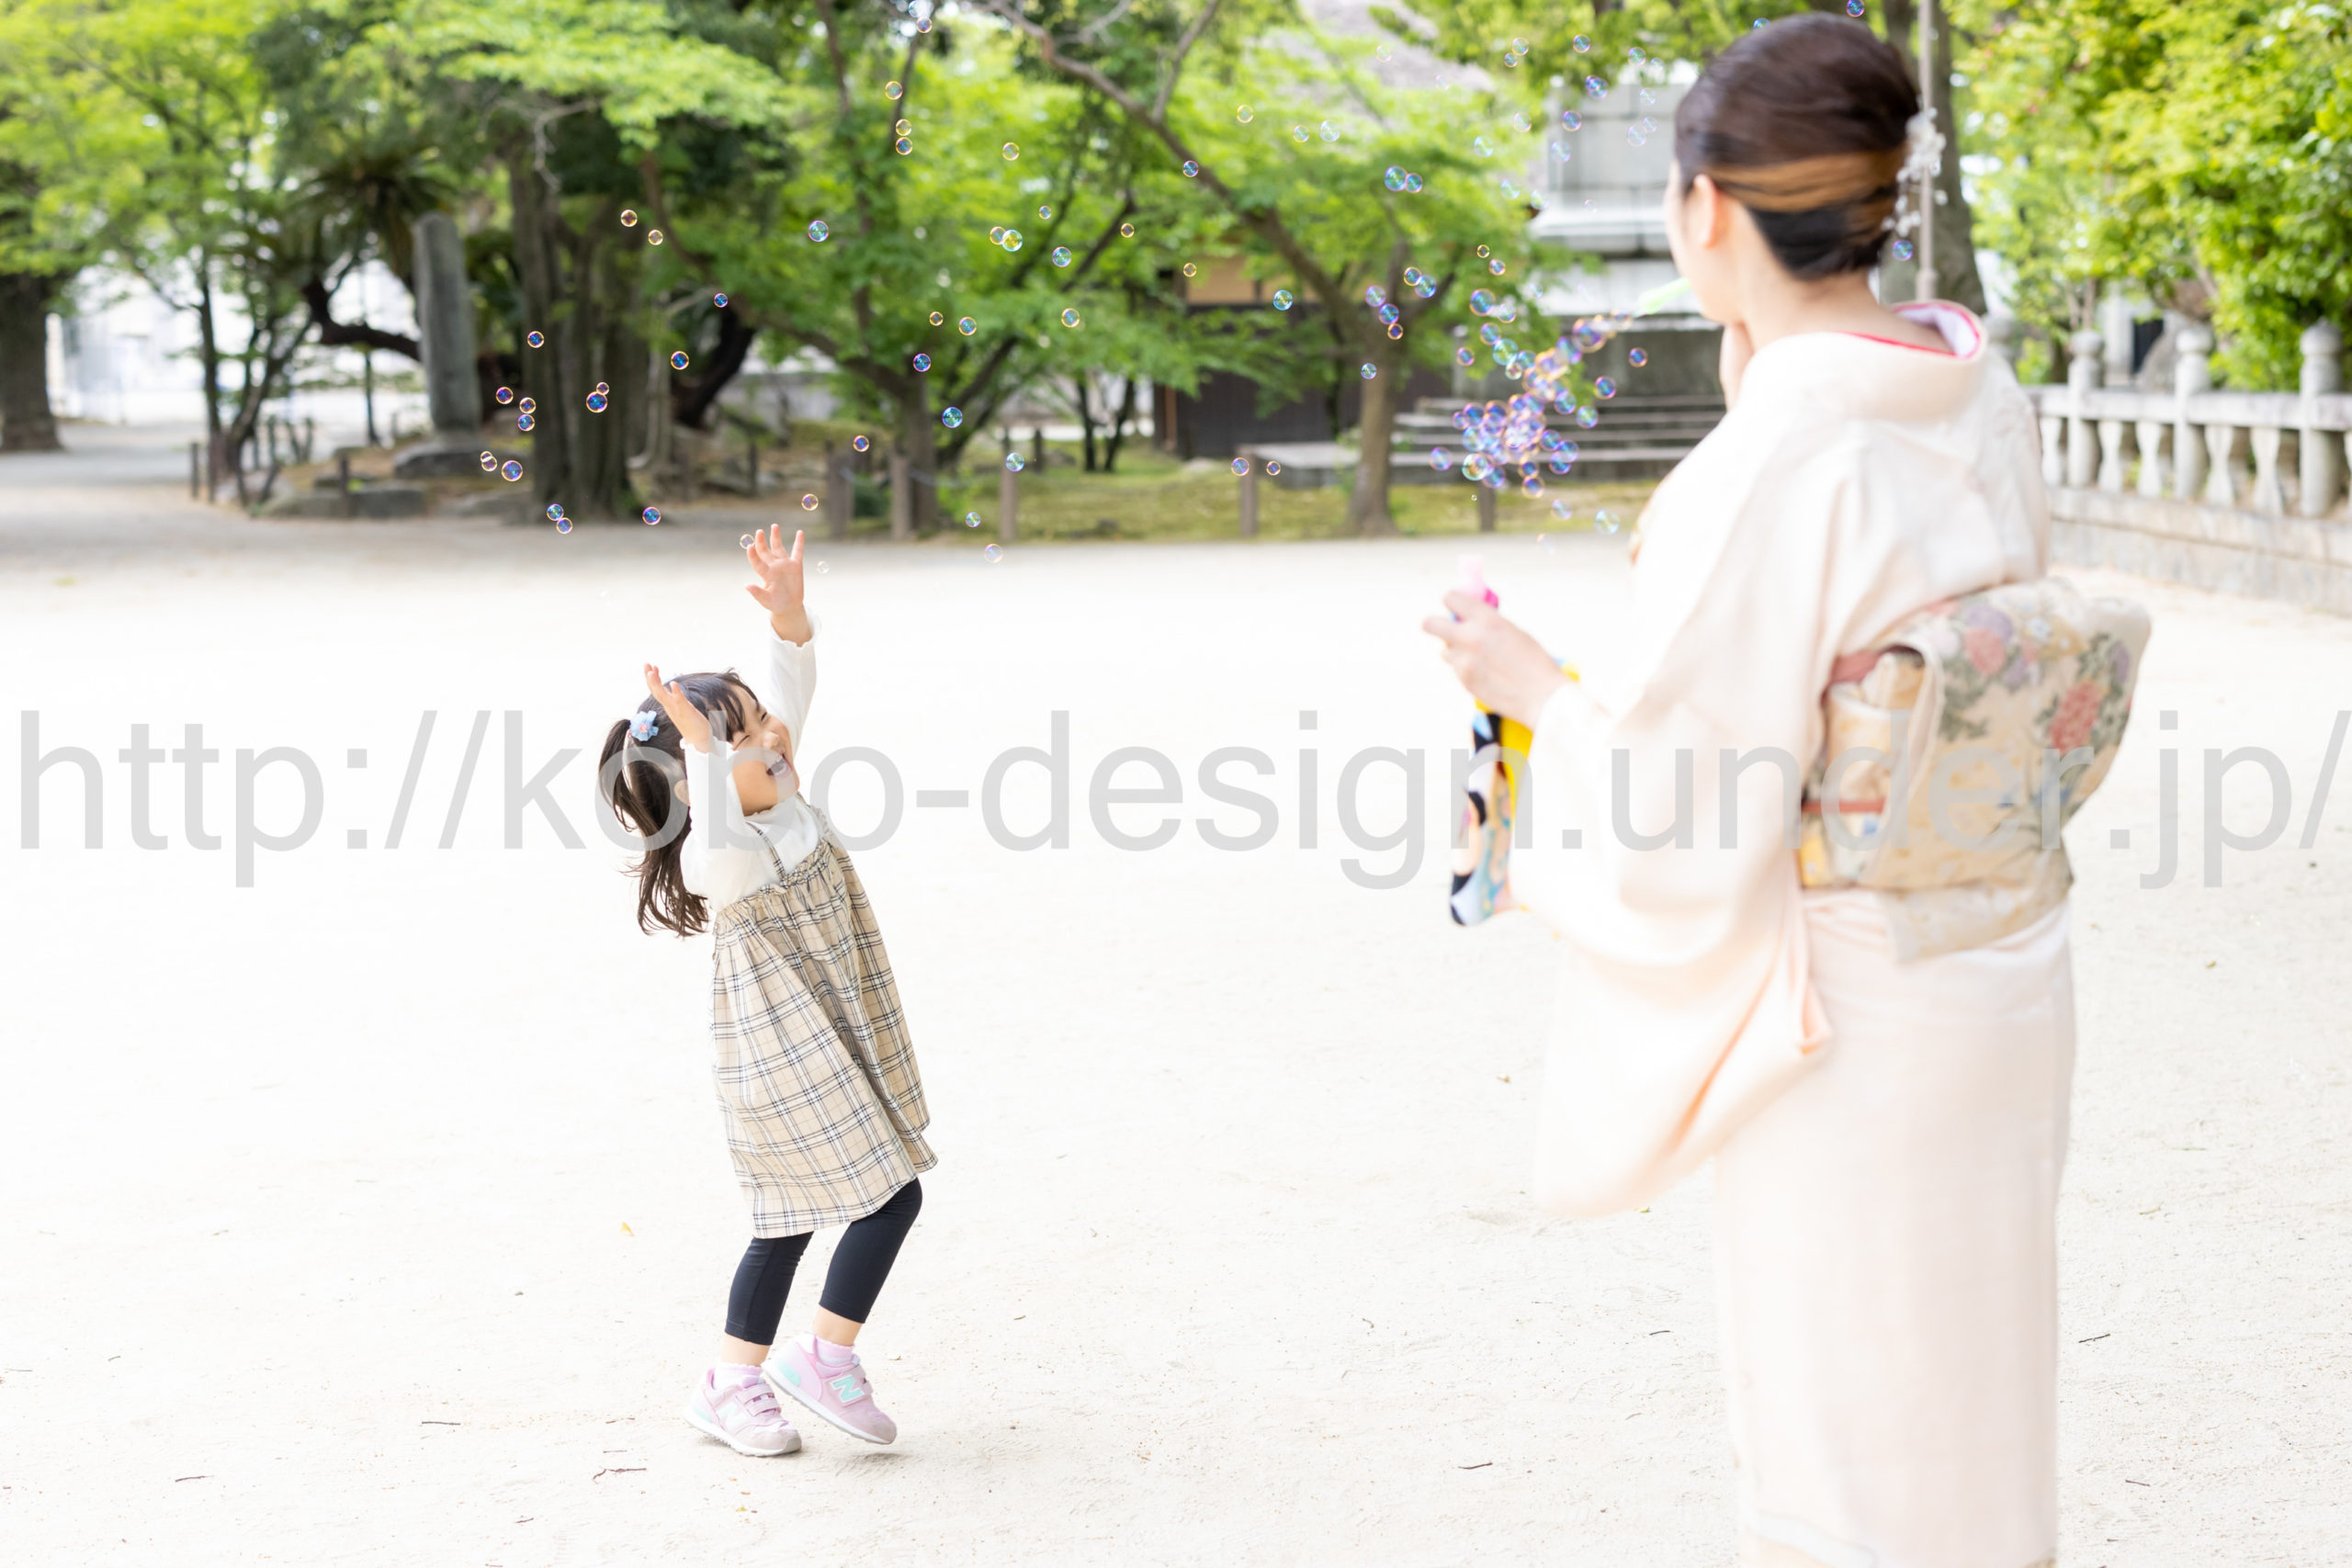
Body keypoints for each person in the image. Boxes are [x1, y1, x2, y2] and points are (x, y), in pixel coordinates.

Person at [1427, 17, 2082, 1568]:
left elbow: (1685, 805)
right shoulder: (1969, 383)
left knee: (1848, 1417)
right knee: (1972, 1405)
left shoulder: (1783, 446)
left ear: (1706, 205)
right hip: (1999, 960)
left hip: (1854, 1003)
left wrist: (1532, 691)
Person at [598, 525, 934, 1457]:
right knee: (882, 1197)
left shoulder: (777, 795)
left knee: (793, 1218)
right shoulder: (730, 855)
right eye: (739, 737)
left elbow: (790, 695)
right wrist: (708, 753)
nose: (770, 735)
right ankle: (816, 1358)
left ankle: (732, 1380)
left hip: (832, 1024)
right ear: (701, 782)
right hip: (782, 1050)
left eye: (755, 720)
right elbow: (714, 823)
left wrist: (788, 619)